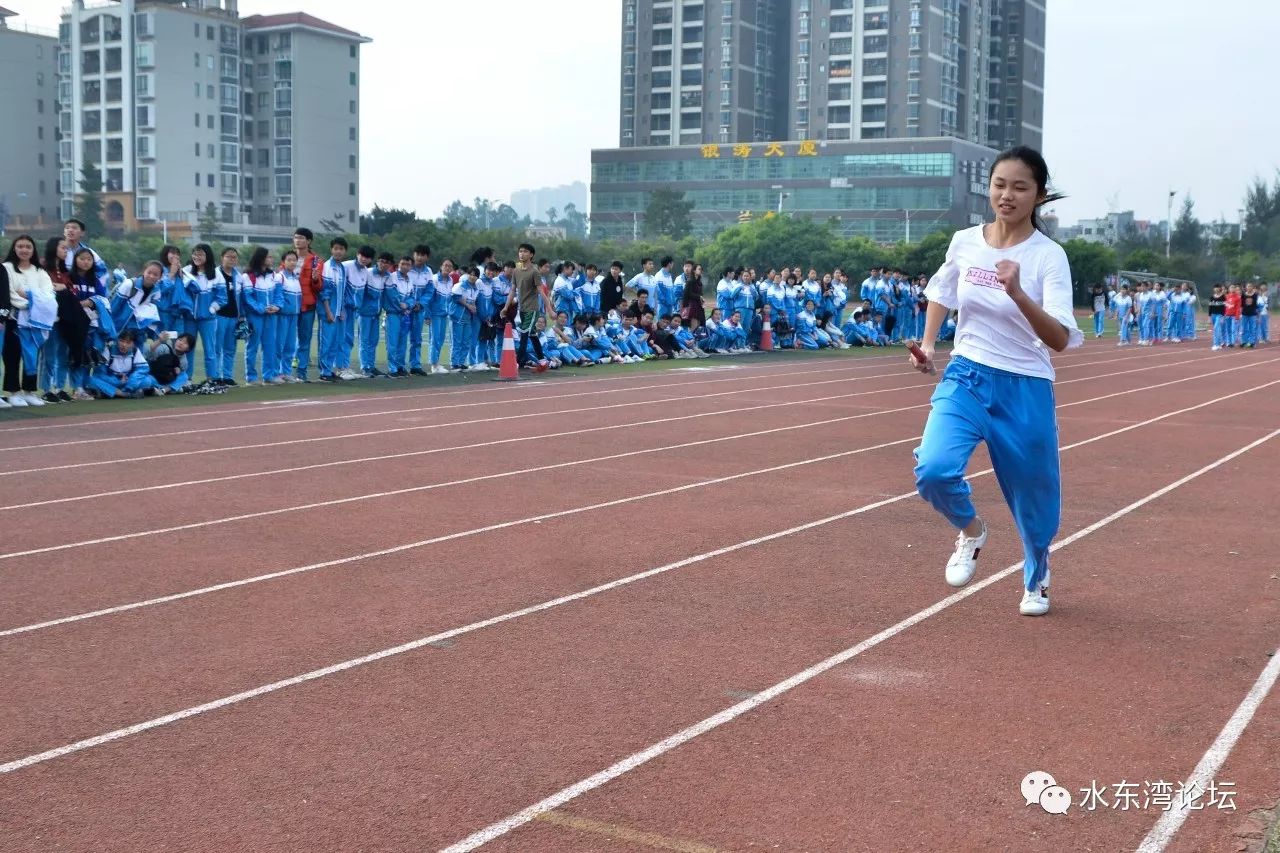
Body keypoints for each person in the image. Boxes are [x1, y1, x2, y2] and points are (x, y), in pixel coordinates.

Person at [910, 145, 1082, 617]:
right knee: (934, 469)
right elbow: (942, 291)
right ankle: (971, 530)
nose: (1007, 195)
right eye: (999, 185)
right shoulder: (966, 241)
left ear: (1039, 196)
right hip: (967, 372)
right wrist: (928, 344)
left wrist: (1018, 292)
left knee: (1034, 497)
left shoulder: (1049, 257)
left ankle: (1037, 573)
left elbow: (1060, 339)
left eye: (1020, 187)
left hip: (1024, 384)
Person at [3, 235, 56, 407]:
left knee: (32, 356)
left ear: (33, 250)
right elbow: (8, 293)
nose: (24, 250)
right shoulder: (6, 268)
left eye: (28, 246)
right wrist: (29, 302)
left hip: (35, 321)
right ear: (14, 248)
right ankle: (13, 392)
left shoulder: (40, 271)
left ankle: (29, 391)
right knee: (12, 356)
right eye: (20, 246)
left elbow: (49, 294)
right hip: (13, 319)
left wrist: (30, 296)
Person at [501, 243, 551, 371]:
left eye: (525, 251)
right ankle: (543, 362)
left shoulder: (534, 272)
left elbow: (542, 292)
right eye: (520, 251)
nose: (521, 254)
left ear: (531, 255)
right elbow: (512, 291)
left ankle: (515, 364)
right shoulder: (516, 271)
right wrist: (506, 307)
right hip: (521, 309)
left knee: (523, 335)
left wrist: (550, 310)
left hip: (532, 309)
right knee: (532, 334)